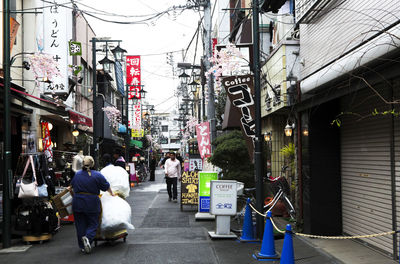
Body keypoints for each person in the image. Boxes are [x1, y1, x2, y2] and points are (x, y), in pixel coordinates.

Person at [70, 156, 115, 254]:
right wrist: (112, 193)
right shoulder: (97, 175)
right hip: (91, 202)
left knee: (80, 224)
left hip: (77, 202)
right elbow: (106, 186)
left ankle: (82, 246)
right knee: (93, 223)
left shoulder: (77, 175)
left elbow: (71, 186)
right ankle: (88, 237)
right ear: (93, 164)